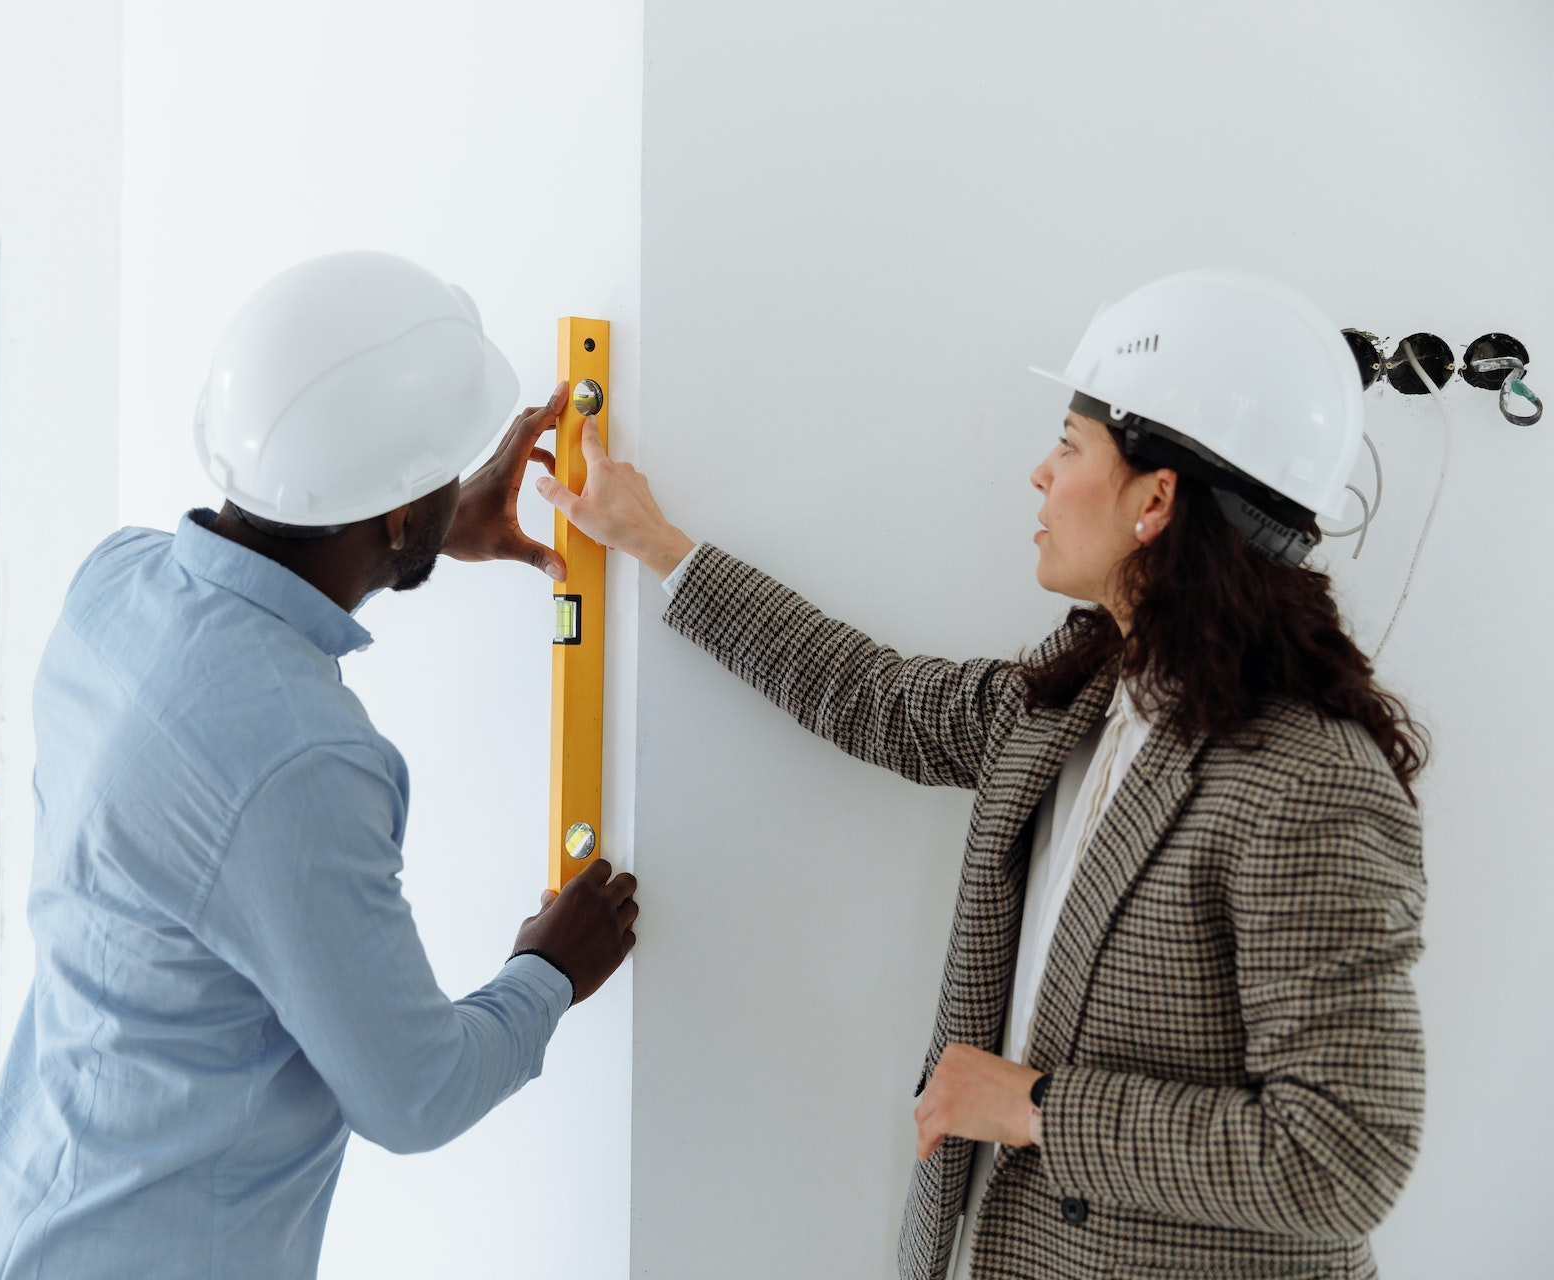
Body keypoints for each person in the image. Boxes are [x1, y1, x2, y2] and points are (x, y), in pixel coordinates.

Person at [538, 270, 1425, 1280]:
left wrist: (1033, 1104)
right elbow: (871, 694)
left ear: (1156, 499)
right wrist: (654, 542)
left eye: (1068, 444)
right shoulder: (1082, 697)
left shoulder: (1307, 779)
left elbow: (1344, 1154)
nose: (1038, 475)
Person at [0, 251, 639, 1280]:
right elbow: (414, 1093)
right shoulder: (308, 759)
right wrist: (547, 968)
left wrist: (421, 524)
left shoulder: (112, 585)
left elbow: (273, 591)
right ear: (397, 513)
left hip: (23, 1215)